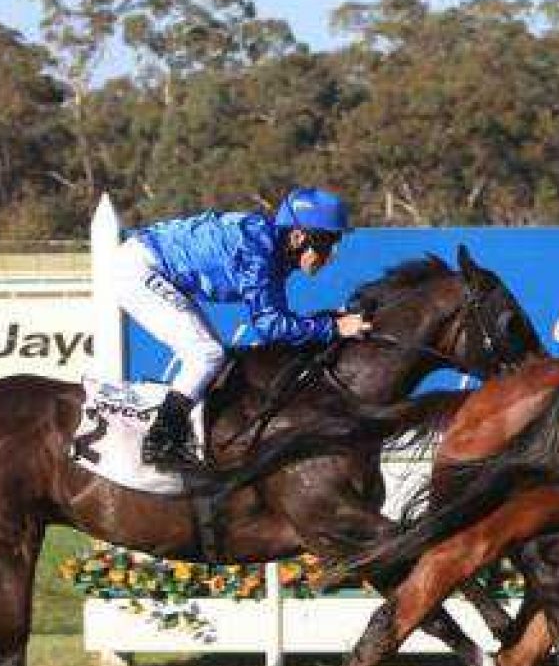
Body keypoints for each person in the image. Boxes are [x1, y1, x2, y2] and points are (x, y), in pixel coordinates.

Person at [111, 187, 371, 466]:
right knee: (206, 354)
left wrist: (330, 322)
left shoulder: (271, 247)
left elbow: (279, 322)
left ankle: (182, 436)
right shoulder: (258, 251)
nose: (331, 255)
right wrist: (334, 327)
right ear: (298, 236)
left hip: (150, 264)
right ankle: (160, 442)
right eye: (327, 243)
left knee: (212, 356)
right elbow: (271, 327)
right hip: (138, 270)